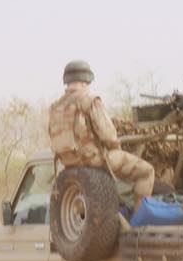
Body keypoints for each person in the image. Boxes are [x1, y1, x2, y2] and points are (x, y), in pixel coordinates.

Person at [47, 60, 155, 206]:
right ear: (86, 81)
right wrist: (116, 148)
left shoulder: (56, 107)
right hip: (92, 159)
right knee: (147, 171)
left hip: (68, 162)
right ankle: (141, 218)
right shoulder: (89, 100)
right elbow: (108, 134)